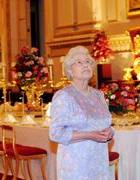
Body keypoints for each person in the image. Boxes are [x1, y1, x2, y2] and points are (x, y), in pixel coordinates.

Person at [49, 46, 114, 179]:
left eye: (88, 62)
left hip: (99, 162)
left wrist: (109, 133)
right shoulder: (64, 96)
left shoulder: (99, 95)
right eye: (79, 62)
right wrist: (89, 135)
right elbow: (55, 133)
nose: (85, 65)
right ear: (69, 70)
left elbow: (108, 125)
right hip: (75, 164)